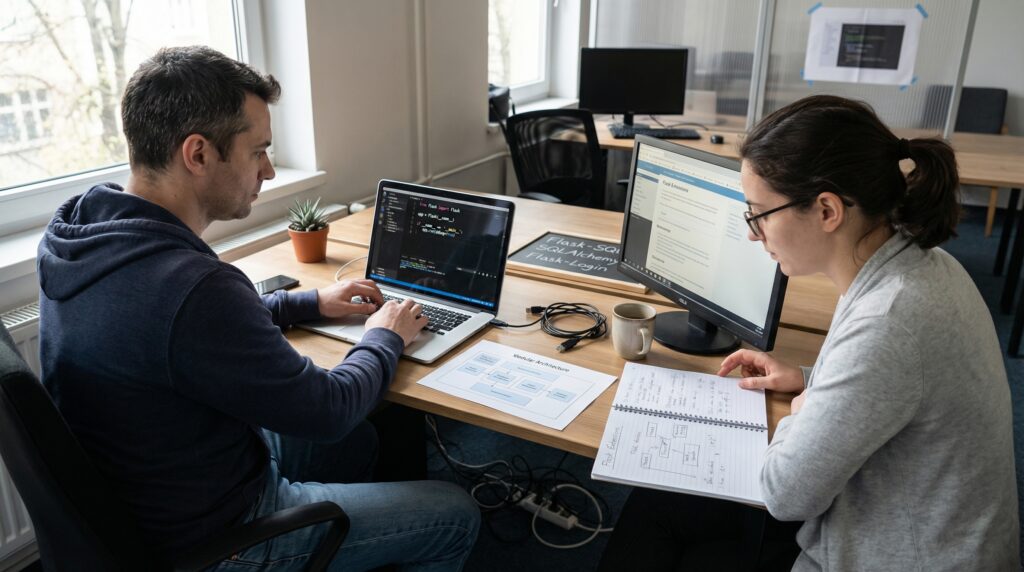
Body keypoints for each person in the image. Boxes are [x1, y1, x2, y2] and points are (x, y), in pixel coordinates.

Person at [37, 46, 479, 571]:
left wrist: (309, 302)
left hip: (153, 494)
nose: (269, 170)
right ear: (198, 154)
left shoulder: (85, 232)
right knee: (455, 514)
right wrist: (384, 334)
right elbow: (329, 408)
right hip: (217, 537)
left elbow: (181, 331)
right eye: (259, 151)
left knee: (360, 440)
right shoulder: (191, 287)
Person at [599, 95, 1020, 571]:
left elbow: (783, 493)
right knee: (660, 507)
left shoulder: (887, 322)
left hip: (894, 554)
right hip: (919, 530)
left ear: (826, 211)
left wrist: (805, 407)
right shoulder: (915, 264)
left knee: (659, 515)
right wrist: (812, 377)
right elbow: (900, 384)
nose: (754, 235)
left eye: (758, 214)